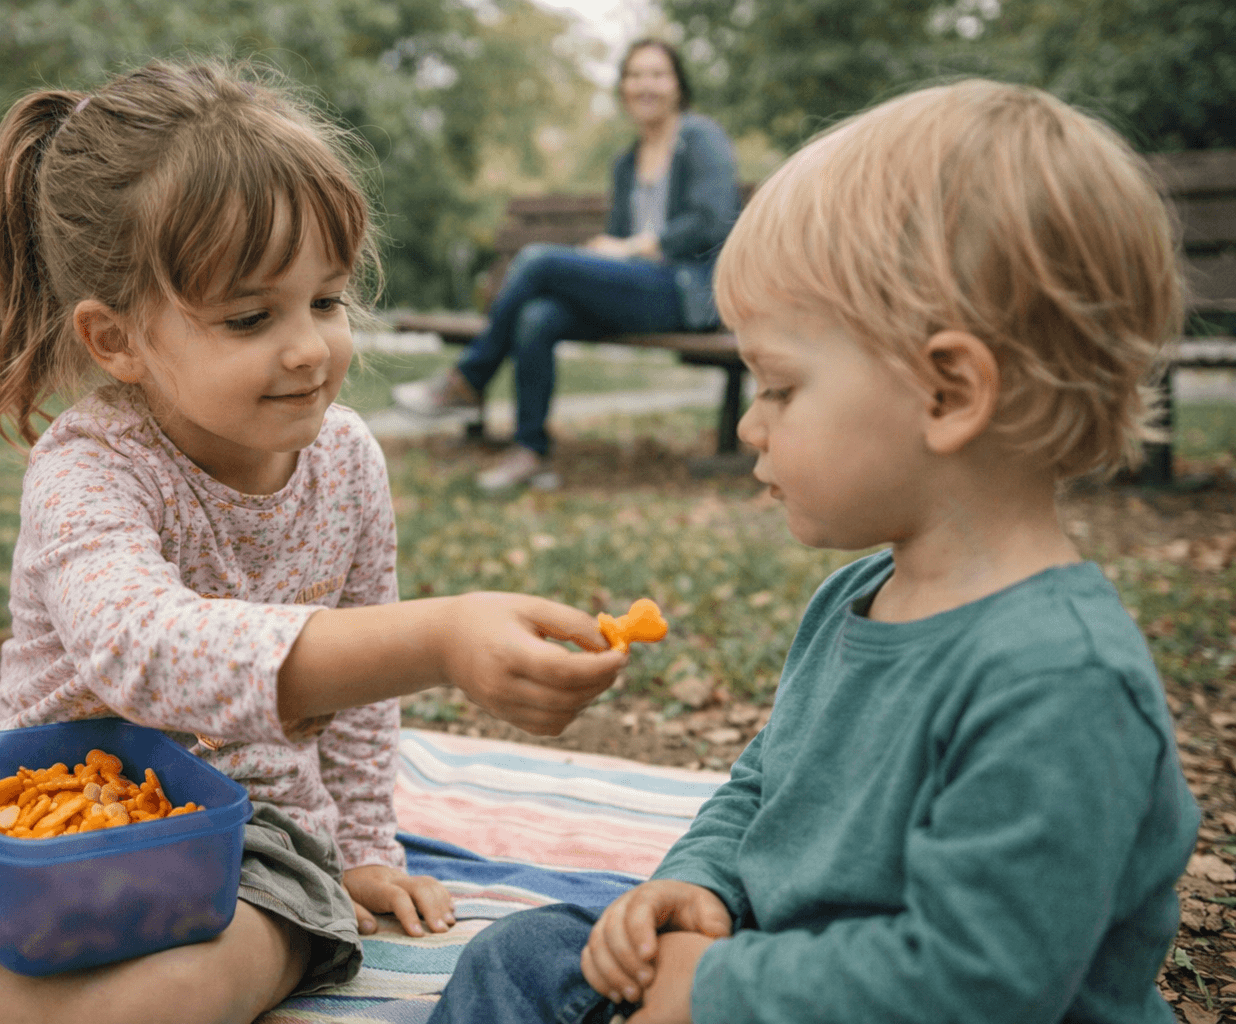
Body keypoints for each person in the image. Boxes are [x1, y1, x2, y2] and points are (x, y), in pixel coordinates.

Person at [0, 59, 629, 1024]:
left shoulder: (349, 461)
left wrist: (361, 848)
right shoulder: (87, 466)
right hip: (20, 808)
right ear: (116, 341)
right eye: (249, 317)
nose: (310, 347)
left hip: (244, 850)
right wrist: (439, 639)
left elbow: (360, 701)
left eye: (326, 300)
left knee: (197, 982)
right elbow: (142, 648)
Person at [427, 79, 1202, 1024]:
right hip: (780, 975)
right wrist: (703, 887)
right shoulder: (855, 597)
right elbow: (767, 785)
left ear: (948, 393)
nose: (750, 425)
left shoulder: (1060, 684)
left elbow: (975, 987)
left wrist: (716, 989)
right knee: (526, 956)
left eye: (781, 388)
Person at [392, 39, 740, 492]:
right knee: (540, 317)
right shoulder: (626, 162)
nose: (644, 84)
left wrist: (636, 246)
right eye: (634, 75)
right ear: (623, 88)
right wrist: (607, 250)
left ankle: (469, 379)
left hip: (684, 292)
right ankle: (531, 452)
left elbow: (711, 219)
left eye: (657, 74)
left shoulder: (700, 137)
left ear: (677, 85)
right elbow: (619, 237)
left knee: (538, 258)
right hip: (638, 289)